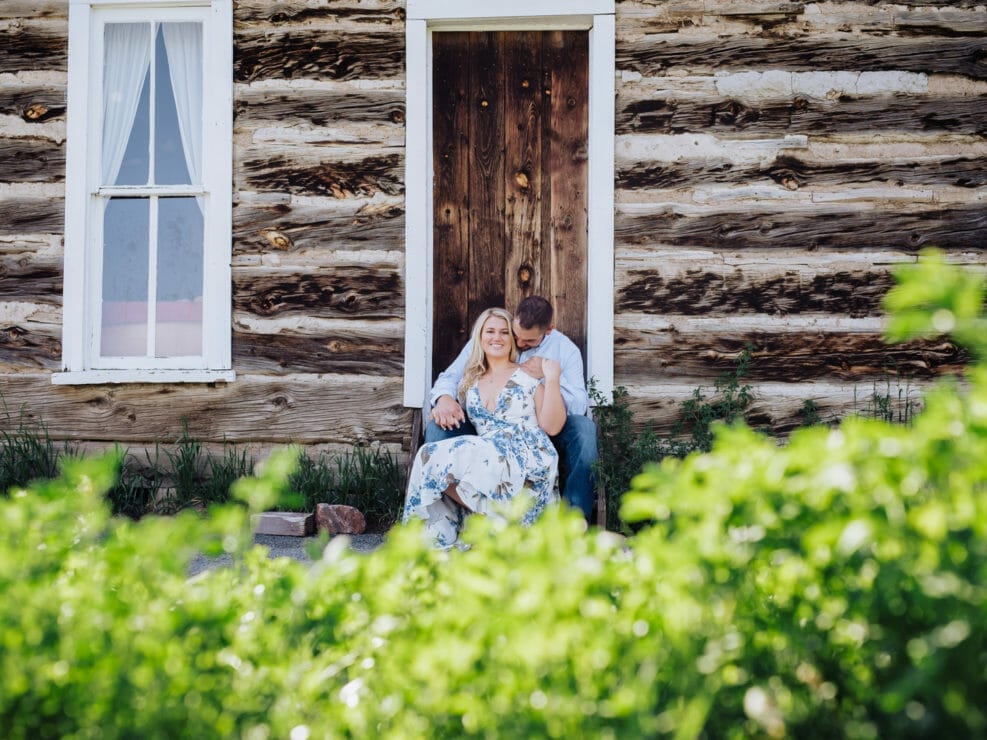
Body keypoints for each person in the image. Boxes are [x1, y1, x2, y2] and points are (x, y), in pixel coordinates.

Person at [403, 307, 566, 548]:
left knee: (433, 455)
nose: (497, 337)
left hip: (526, 455)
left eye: (504, 332)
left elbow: (552, 427)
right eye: (490, 331)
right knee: (429, 459)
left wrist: (552, 377)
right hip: (488, 456)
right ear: (479, 337)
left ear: (513, 339)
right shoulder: (469, 382)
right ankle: (434, 536)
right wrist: (441, 403)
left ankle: (502, 520)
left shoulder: (527, 376)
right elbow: (448, 393)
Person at [427, 295, 598, 520]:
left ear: (549, 330)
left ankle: (575, 519)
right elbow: (451, 376)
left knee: (584, 429)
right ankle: (447, 517)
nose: (519, 343)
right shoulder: (497, 337)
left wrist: (545, 379)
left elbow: (578, 404)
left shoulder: (565, 350)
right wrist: (444, 398)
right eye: (515, 334)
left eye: (529, 341)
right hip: (487, 429)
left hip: (540, 428)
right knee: (437, 430)